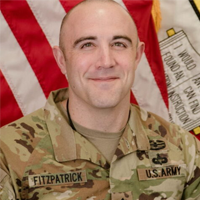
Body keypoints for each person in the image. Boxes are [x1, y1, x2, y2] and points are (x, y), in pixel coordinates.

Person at [0, 0, 200, 199]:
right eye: (87, 45)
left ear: (137, 56)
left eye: (119, 44)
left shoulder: (184, 149)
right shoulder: (7, 153)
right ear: (62, 60)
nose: (106, 61)